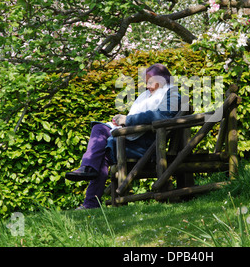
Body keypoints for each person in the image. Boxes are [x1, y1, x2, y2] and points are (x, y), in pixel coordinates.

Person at [65, 63, 181, 209]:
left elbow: (162, 116)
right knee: (99, 128)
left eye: (151, 82)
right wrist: (122, 122)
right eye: (147, 83)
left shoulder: (172, 94)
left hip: (149, 146)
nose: (148, 86)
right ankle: (88, 168)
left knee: (104, 151)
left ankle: (90, 200)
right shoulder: (148, 95)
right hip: (135, 137)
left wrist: (127, 120)